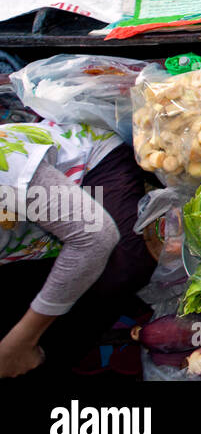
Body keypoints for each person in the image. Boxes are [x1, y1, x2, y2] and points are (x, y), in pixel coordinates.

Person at [0, 121, 156, 379]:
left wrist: (22, 339)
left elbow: (94, 237)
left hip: (87, 170)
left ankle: (46, 353)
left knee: (118, 268)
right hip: (34, 227)